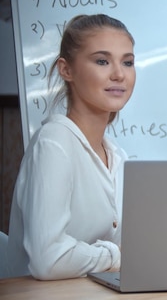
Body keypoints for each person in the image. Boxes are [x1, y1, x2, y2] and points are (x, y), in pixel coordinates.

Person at [7, 14, 136, 280]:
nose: (119, 74)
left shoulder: (119, 157)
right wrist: (116, 256)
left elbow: (132, 251)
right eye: (102, 61)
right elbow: (49, 260)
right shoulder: (54, 143)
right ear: (66, 70)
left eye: (128, 62)